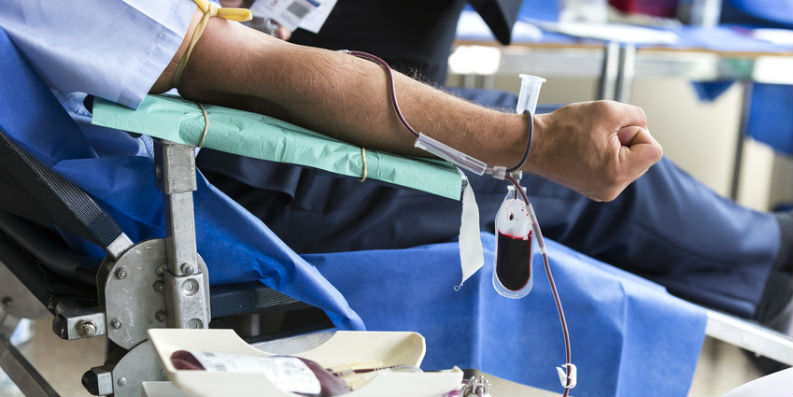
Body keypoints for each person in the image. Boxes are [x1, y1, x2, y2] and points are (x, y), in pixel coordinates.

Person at [0, 0, 790, 334]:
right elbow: (246, 66)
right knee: (560, 179)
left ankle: (761, 258)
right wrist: (530, 142)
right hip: (219, 175)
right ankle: (767, 268)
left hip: (185, 140)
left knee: (503, 120)